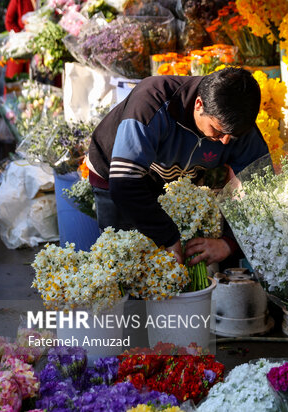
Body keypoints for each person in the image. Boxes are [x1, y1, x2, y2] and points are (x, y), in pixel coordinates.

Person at [87, 68, 268, 267]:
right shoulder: (152, 101)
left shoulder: (238, 127)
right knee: (127, 264)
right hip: (117, 177)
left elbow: (260, 188)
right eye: (217, 130)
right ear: (199, 104)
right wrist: (168, 237)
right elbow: (125, 186)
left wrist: (229, 242)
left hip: (174, 182)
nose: (225, 141)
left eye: (233, 135)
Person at [4, 0, 35, 79]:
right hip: (20, 45)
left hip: (38, 47)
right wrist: (22, 36)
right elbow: (9, 21)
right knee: (16, 79)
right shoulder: (18, 1)